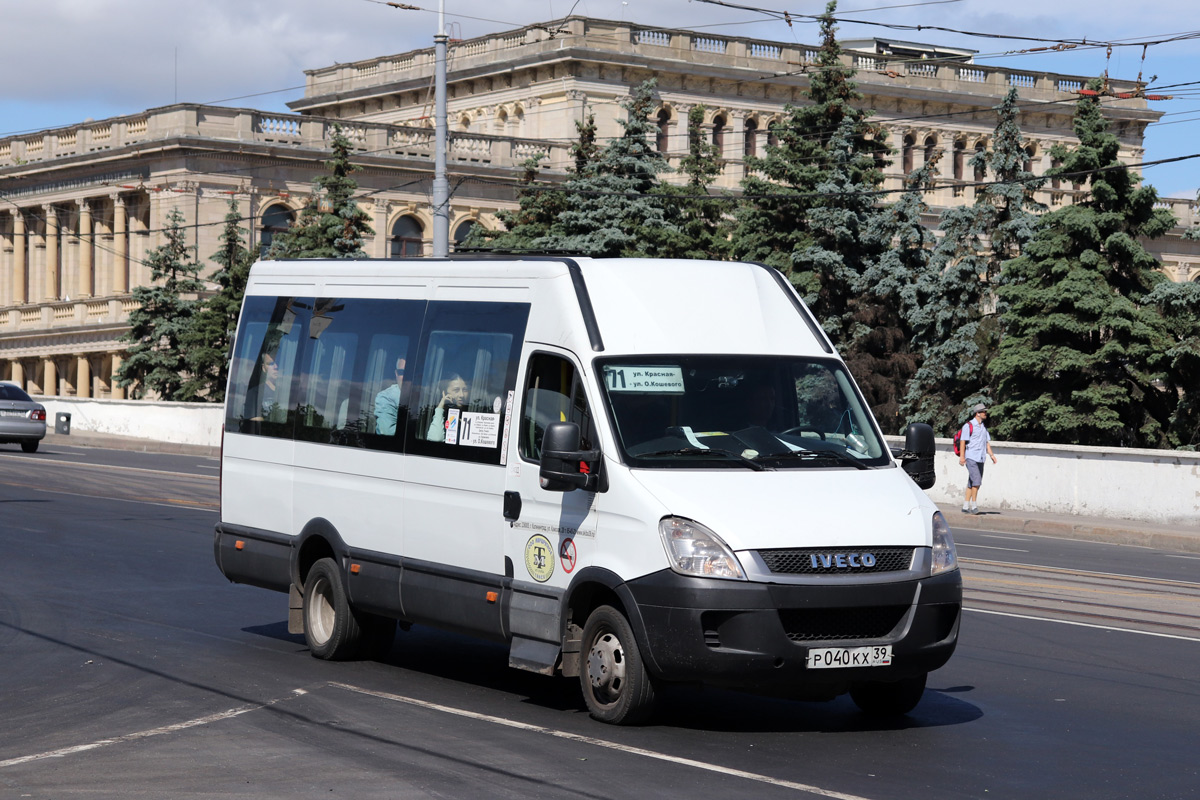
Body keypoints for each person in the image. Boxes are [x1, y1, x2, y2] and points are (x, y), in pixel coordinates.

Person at [959, 403, 997, 514]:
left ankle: (965, 506)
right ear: (977, 413)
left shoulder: (983, 427)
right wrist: (962, 457)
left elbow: (986, 443)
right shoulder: (968, 426)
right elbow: (962, 441)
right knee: (977, 482)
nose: (986, 413)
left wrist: (992, 455)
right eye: (984, 412)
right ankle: (974, 506)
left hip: (981, 458)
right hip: (971, 457)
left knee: (972, 482)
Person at [426, 373, 468, 442]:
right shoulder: (441, 417)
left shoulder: (471, 414)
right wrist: (440, 407)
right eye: (456, 390)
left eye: (465, 390)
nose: (462, 395)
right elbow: (435, 439)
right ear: (444, 393)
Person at [373, 357, 406, 435]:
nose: (406, 377)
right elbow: (387, 433)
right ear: (396, 374)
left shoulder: (426, 395)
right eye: (402, 372)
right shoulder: (386, 397)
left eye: (410, 372)